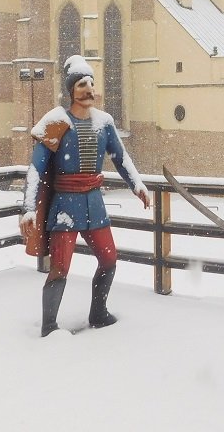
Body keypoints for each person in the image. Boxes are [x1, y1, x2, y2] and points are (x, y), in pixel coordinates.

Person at [19, 54, 150, 336]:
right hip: (65, 206)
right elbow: (36, 168)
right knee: (60, 268)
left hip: (94, 203)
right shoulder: (56, 121)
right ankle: (49, 325)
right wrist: (29, 207)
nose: (88, 89)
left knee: (109, 259)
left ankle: (98, 312)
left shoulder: (104, 122)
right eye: (81, 84)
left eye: (91, 83)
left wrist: (136, 184)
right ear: (71, 90)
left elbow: (120, 157)